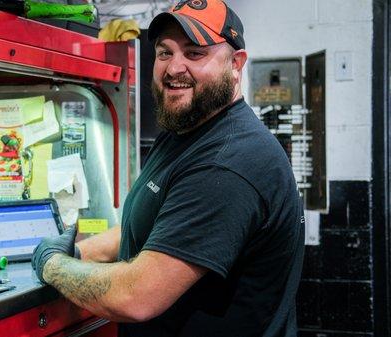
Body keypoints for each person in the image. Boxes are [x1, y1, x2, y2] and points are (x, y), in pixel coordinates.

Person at [32, 0, 305, 336]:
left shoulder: (228, 163)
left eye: (194, 53)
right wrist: (79, 251)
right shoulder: (187, 132)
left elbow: (135, 296)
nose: (174, 68)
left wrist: (53, 265)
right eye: (165, 53)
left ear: (236, 64)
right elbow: (159, 225)